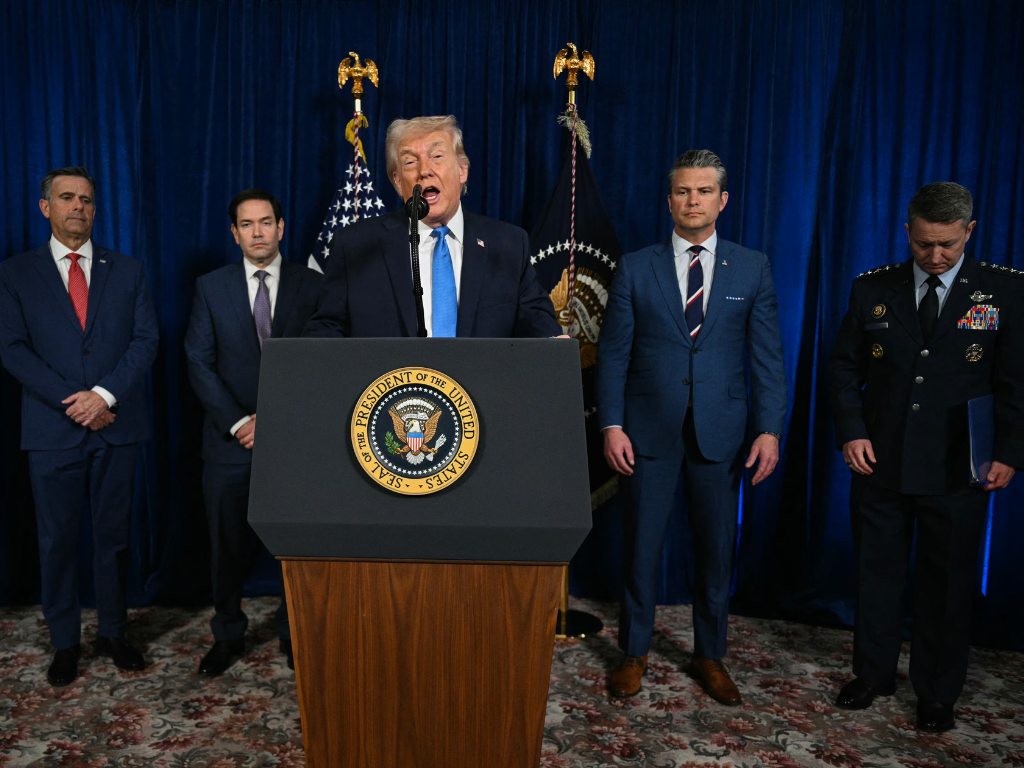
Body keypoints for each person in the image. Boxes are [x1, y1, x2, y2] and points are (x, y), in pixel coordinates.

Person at [828, 181, 1023, 733]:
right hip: (880, 462)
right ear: (907, 230)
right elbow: (844, 369)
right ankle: (873, 674)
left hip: (960, 468)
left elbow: (1016, 381)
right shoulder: (872, 288)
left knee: (946, 585)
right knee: (876, 574)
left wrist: (1009, 451)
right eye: (922, 245)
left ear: (970, 231)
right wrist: (851, 431)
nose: (934, 257)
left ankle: (937, 692)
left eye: (947, 245)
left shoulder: (1004, 292)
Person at [596, 150, 787, 704]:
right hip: (646, 431)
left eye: (703, 191)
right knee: (641, 548)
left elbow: (768, 358)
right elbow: (613, 356)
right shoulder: (636, 265)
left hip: (721, 433)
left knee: (716, 551)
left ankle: (710, 654)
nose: (692, 200)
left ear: (722, 200)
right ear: (670, 199)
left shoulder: (752, 268)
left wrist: (770, 428)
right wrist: (611, 424)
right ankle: (634, 653)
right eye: (682, 191)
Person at [0, 167, 159, 686]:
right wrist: (75, 403)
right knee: (57, 540)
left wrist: (105, 396)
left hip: (117, 424)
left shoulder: (128, 270)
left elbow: (144, 342)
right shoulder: (16, 274)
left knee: (113, 539)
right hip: (52, 430)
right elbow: (13, 350)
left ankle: (114, 632)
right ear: (45, 207)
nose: (78, 207)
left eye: (87, 200)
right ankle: (65, 642)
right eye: (67, 198)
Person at [184, 189, 324, 676]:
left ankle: (293, 632)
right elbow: (198, 362)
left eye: (266, 222)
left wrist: (277, 420)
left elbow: (322, 363)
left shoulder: (314, 285)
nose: (258, 232)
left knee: (295, 542)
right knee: (226, 546)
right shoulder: (210, 287)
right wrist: (242, 423)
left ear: (281, 228)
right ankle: (227, 634)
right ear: (234, 232)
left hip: (294, 443)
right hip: (229, 443)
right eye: (247, 224)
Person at [302, 115, 559, 338]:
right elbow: (327, 327)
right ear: (398, 181)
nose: (424, 171)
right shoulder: (356, 246)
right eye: (410, 162)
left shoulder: (509, 245)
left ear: (462, 170)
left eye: (437, 156)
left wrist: (551, 342)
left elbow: (536, 320)